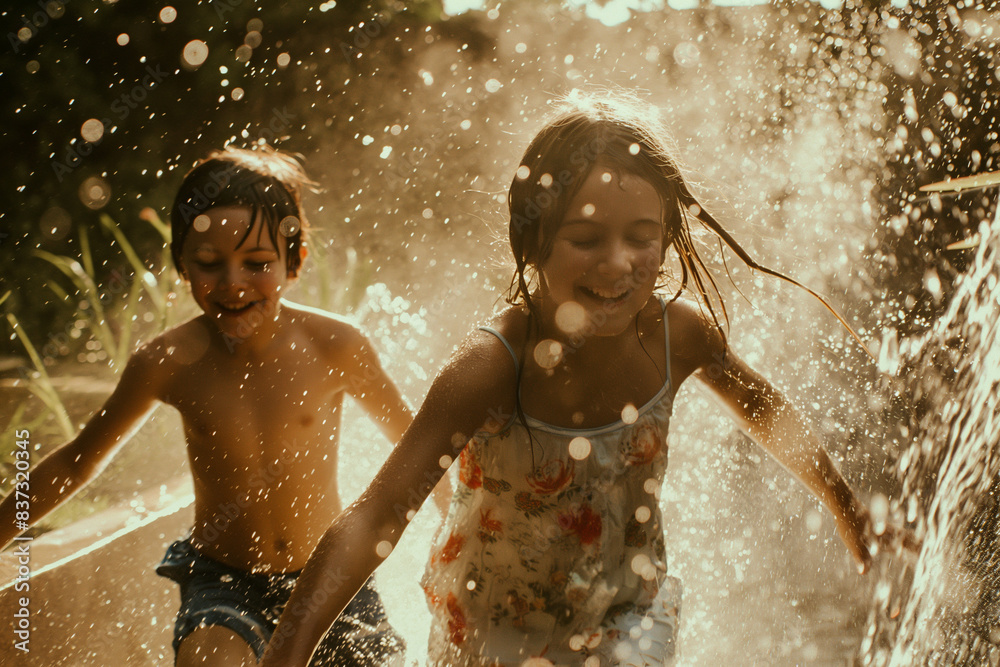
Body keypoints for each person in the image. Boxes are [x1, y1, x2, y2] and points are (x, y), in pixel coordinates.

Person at [259, 93, 905, 667]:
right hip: (493, 634)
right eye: (587, 238)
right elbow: (378, 510)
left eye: (641, 237)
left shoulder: (680, 336)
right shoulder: (490, 368)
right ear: (533, 240)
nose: (618, 262)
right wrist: (287, 649)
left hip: (628, 616)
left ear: (668, 238)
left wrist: (847, 506)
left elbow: (764, 411)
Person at [0, 146, 428, 666]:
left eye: (257, 264)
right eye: (209, 264)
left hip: (330, 577)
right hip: (225, 582)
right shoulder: (167, 362)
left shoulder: (334, 346)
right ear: (183, 265)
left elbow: (422, 447)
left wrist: (458, 535)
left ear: (295, 262)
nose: (232, 283)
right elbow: (76, 461)